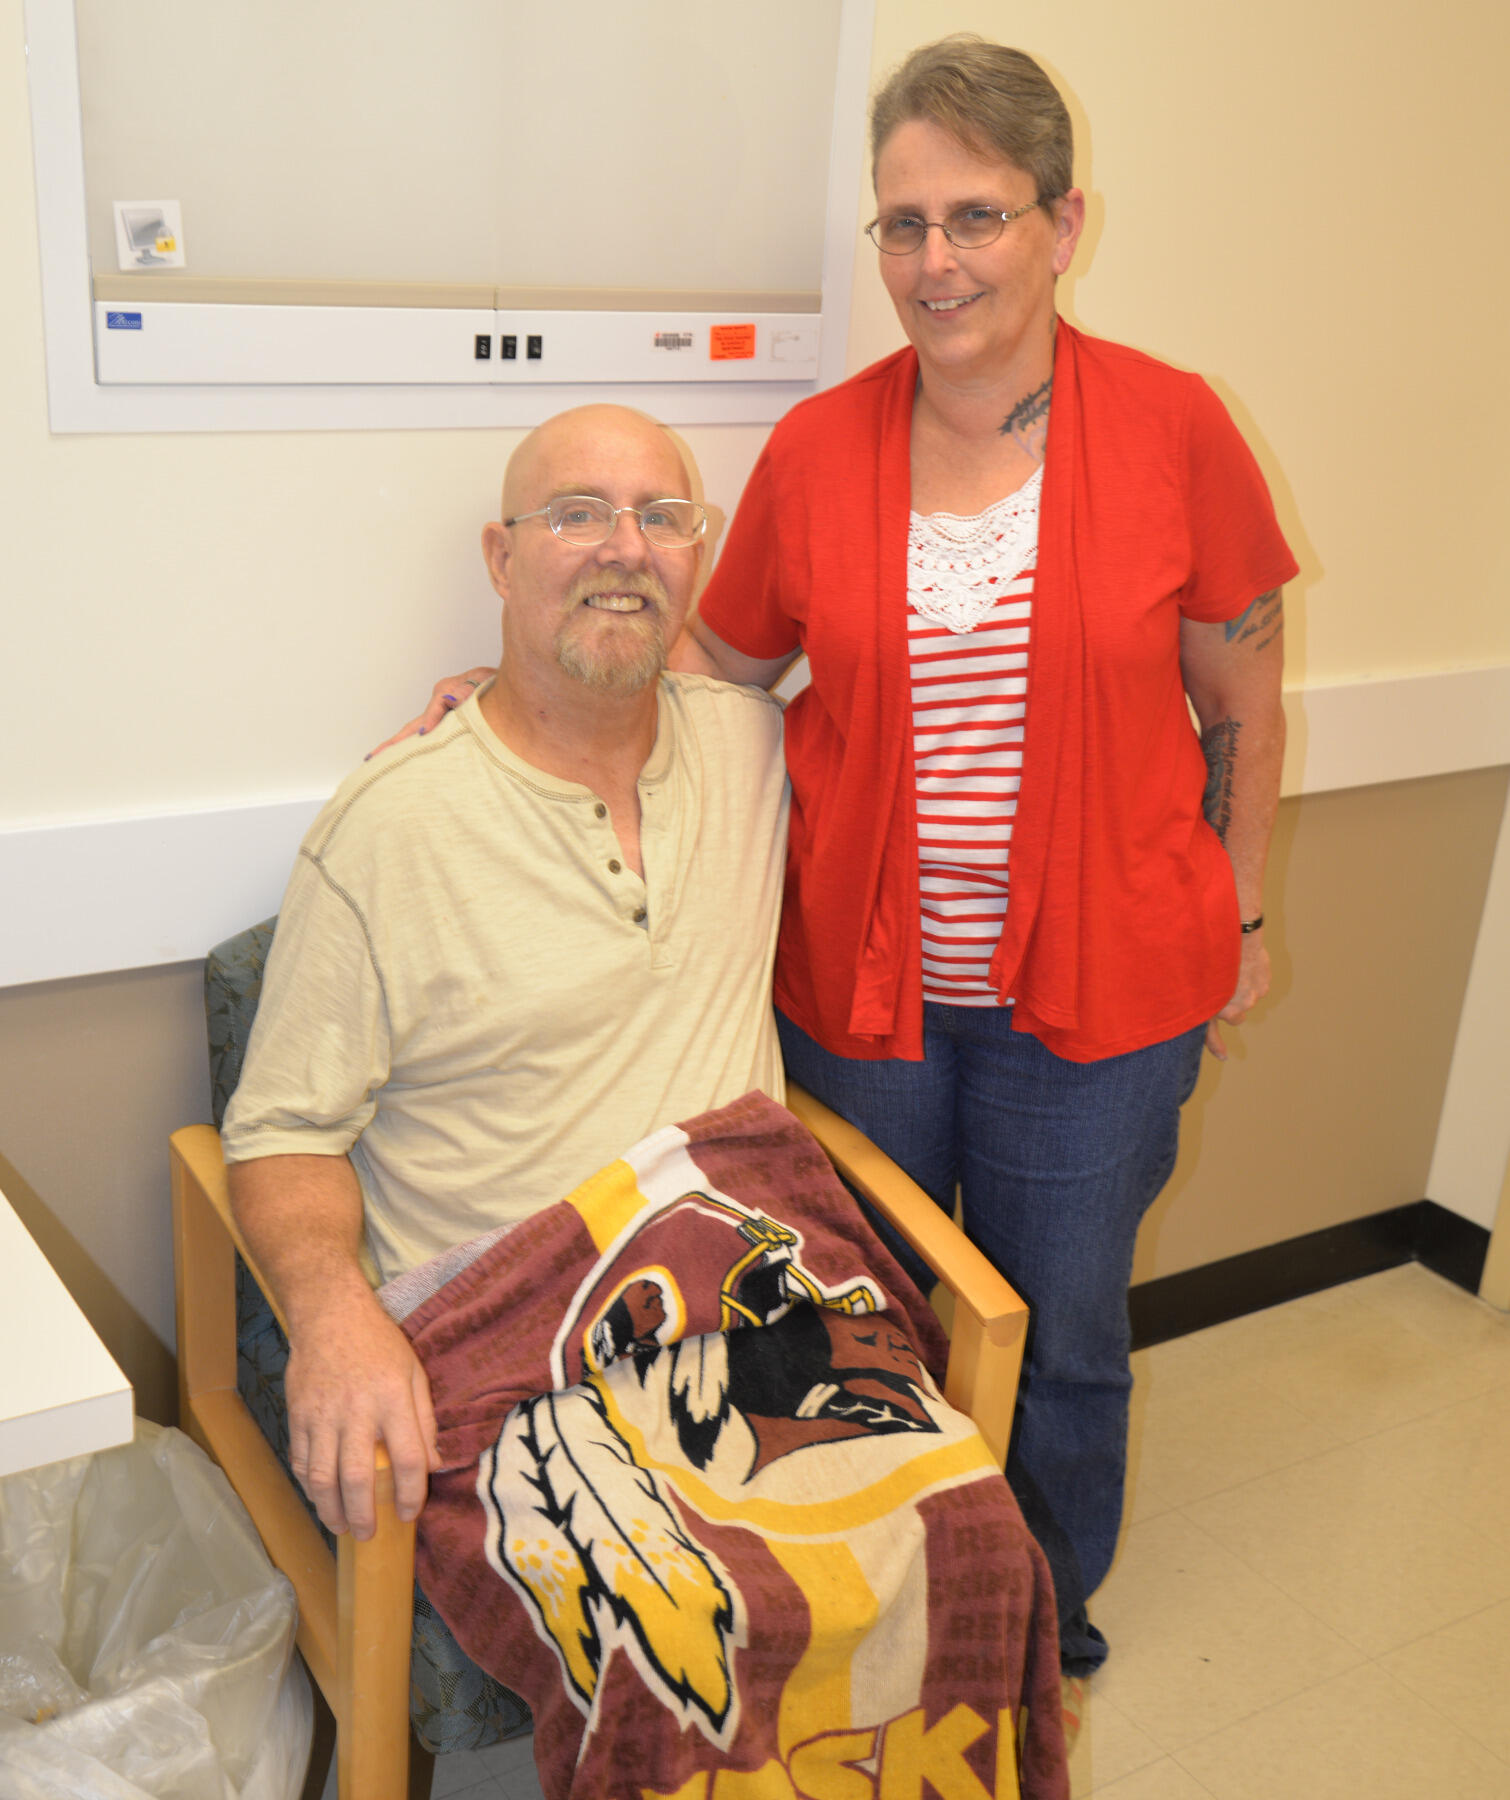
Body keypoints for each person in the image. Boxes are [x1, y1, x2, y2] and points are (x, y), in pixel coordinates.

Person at [394, 39, 1297, 1676]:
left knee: (1067, 1335)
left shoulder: (1174, 429)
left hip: (1105, 1006)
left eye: (975, 217)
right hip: (865, 998)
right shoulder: (819, 450)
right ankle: (898, 1618)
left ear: (1061, 221)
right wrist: (507, 701)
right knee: (860, 1333)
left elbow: (1243, 689)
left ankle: (1034, 1619)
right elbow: (713, 683)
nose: (933, 263)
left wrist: (1236, 910)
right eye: (901, 224)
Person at [222, 404, 789, 1543]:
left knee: (965, 1558)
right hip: (516, 1343)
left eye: (661, 519)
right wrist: (333, 1317)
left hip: (752, 1306)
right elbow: (281, 1128)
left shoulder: (758, 749)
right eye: (576, 515)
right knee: (688, 1646)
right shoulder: (393, 823)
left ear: (695, 558)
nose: (624, 548)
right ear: (501, 556)